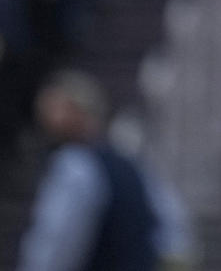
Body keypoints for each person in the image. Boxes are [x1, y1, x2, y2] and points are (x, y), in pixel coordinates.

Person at [16, 70, 193, 271]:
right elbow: (174, 229)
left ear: (79, 110)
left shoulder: (74, 165)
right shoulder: (130, 163)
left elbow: (57, 240)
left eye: (57, 110)